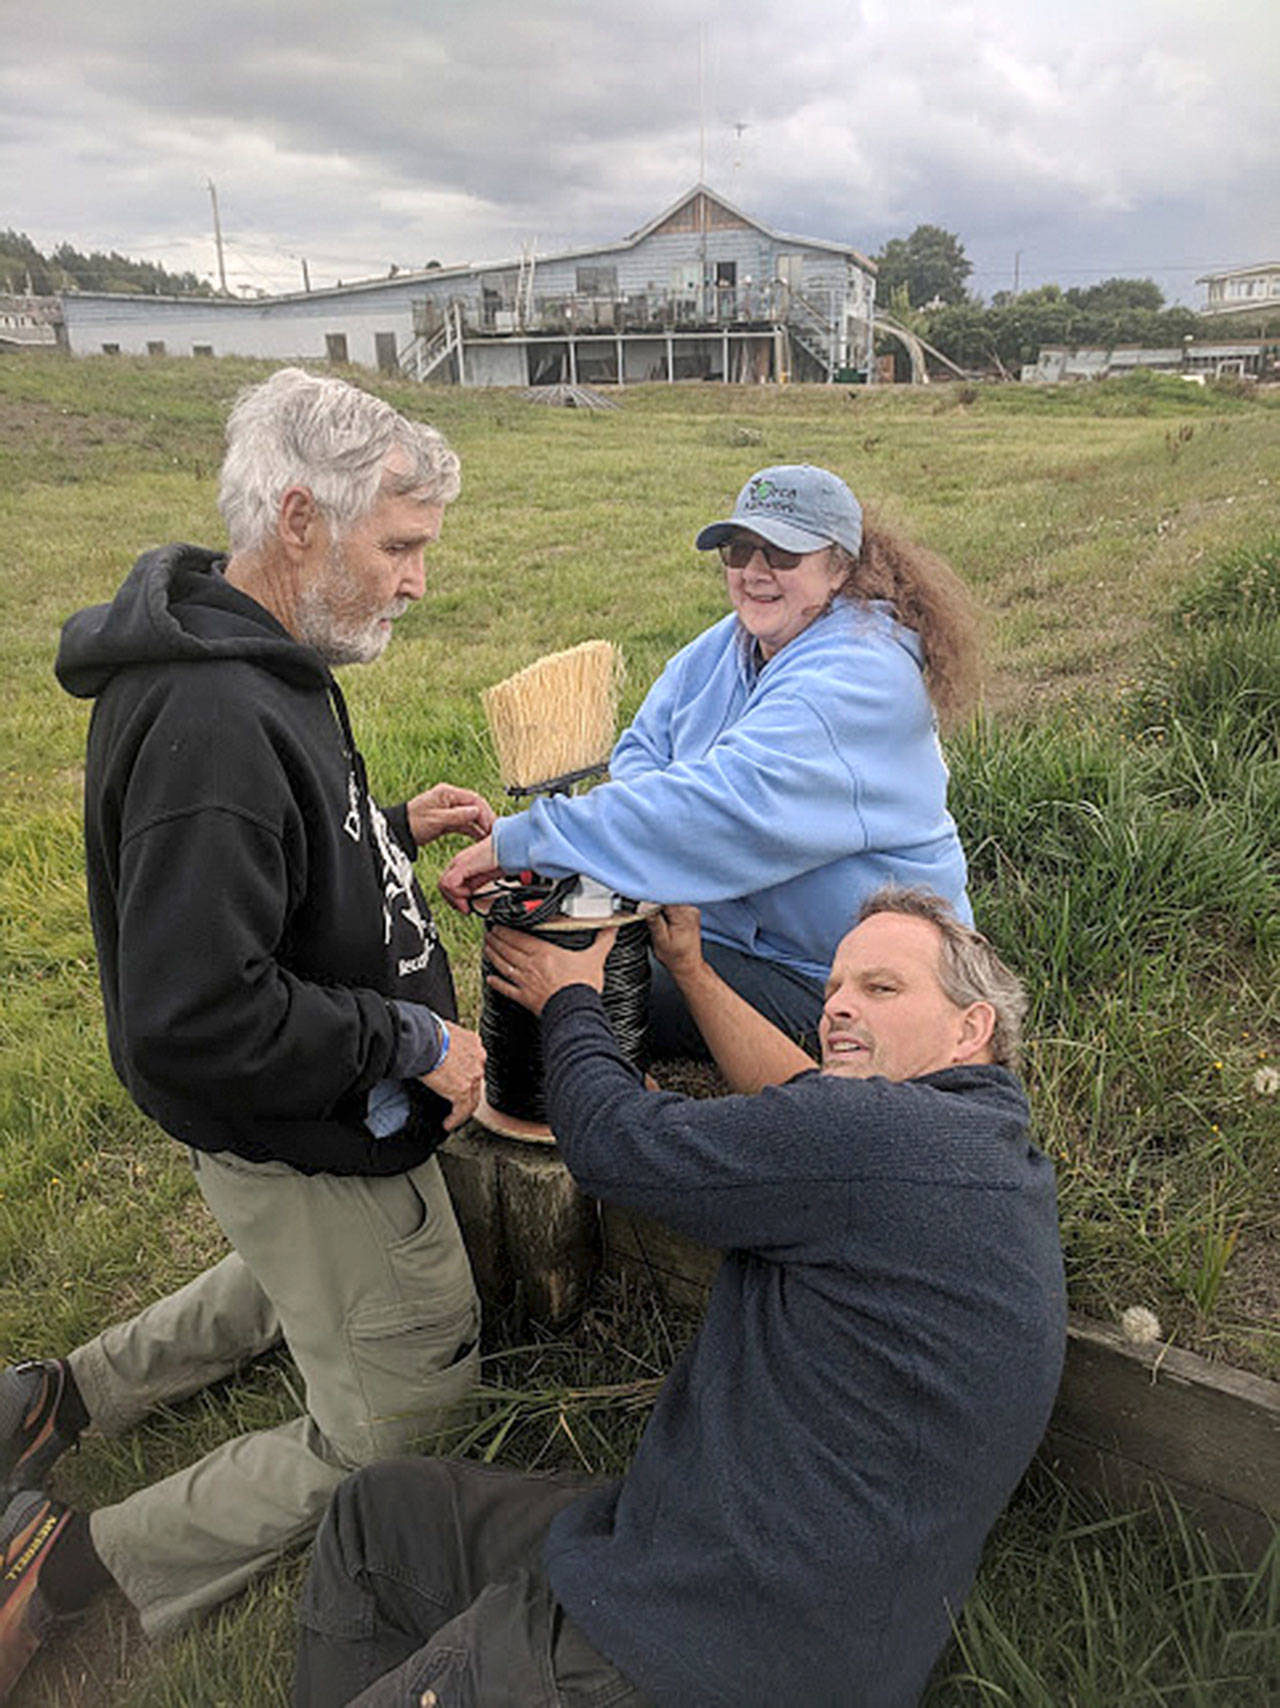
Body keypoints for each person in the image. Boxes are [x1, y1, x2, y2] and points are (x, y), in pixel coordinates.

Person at [0, 368, 490, 1692]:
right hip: (308, 1122)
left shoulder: (256, 654)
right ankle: (69, 1566)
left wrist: (381, 838)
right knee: (403, 1409)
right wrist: (407, 1042)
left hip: (296, 1131)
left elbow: (263, 882)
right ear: (298, 519)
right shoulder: (215, 723)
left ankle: (52, 1402)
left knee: (299, 1276)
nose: (415, 580)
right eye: (400, 546)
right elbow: (194, 1012)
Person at [292, 887, 1067, 1708]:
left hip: (687, 1650)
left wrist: (572, 1000)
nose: (837, 1006)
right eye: (834, 988)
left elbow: (611, 1145)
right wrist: (690, 971)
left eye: (880, 989)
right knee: (380, 1516)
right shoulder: (977, 1159)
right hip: (732, 1580)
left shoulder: (877, 1139)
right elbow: (802, 1089)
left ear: (970, 1029)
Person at [439, 463, 979, 1058]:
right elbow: (644, 749)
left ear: (842, 567)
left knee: (570, 988)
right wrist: (657, 837)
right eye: (738, 550)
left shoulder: (862, 674)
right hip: (735, 942)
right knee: (554, 953)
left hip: (837, 973)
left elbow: (724, 804)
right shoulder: (731, 644)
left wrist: (527, 839)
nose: (754, 571)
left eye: (783, 554)